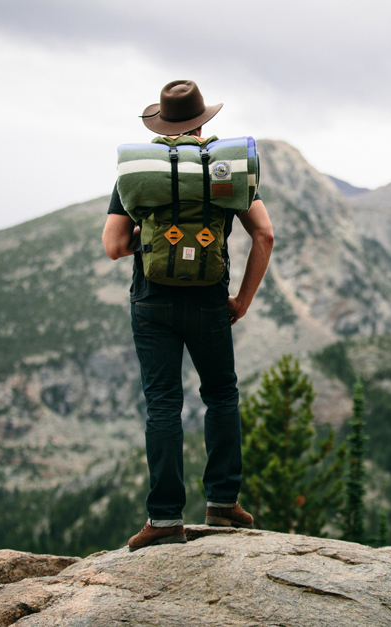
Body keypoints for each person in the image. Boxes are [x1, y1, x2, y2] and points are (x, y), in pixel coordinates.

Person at [102, 80, 273, 550]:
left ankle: (163, 519)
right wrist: (242, 299)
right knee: (221, 395)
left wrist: (154, 240)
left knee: (162, 403)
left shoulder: (142, 172)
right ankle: (222, 504)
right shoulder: (224, 168)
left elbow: (115, 246)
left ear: (163, 124)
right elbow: (265, 236)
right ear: (203, 122)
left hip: (152, 302)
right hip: (209, 300)